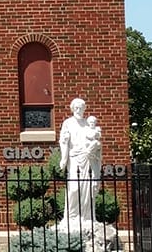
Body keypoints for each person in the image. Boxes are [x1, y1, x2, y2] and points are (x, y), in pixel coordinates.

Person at [58, 98, 98, 234]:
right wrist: (63, 158)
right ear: (72, 108)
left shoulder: (88, 124)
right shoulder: (68, 123)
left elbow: (96, 140)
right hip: (74, 158)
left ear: (84, 109)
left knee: (86, 188)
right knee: (74, 188)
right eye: (76, 107)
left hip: (87, 158)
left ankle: (86, 217)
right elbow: (63, 141)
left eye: (81, 107)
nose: (78, 110)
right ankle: (71, 217)